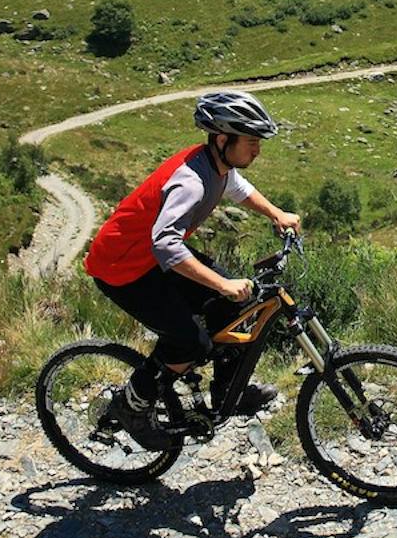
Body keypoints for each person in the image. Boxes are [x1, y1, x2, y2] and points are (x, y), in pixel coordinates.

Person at [83, 90, 301, 451]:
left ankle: (228, 390)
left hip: (150, 258)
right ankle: (131, 406)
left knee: (232, 304)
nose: (257, 150)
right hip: (122, 268)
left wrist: (275, 213)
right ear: (222, 139)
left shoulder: (216, 164)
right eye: (251, 141)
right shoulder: (191, 181)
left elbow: (237, 188)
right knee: (189, 341)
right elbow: (165, 244)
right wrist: (223, 283)